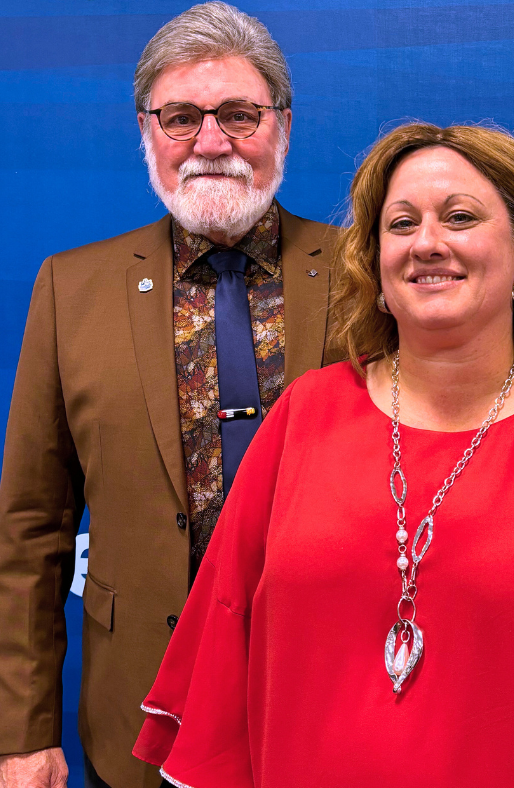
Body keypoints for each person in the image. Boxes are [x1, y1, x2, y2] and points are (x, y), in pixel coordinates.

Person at [130, 122, 514, 787]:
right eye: (401, 225)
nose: (428, 243)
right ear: (374, 263)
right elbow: (223, 662)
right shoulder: (304, 416)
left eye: (460, 217)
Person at [0, 4, 340, 787]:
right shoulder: (70, 288)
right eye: (181, 117)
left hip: (331, 692)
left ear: (282, 124)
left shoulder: (367, 272)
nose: (211, 142)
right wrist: (24, 734)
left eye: (239, 115)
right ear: (146, 132)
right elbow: (30, 530)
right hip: (141, 706)